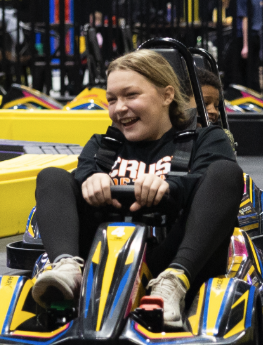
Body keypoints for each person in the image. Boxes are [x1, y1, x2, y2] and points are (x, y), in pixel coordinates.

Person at [30, 50, 242, 329]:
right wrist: (91, 181)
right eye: (112, 99)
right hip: (104, 260)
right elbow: (81, 176)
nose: (119, 108)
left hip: (173, 253)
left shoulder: (206, 139)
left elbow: (213, 182)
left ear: (167, 95)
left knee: (227, 172)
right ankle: (68, 270)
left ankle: (173, 282)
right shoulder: (103, 146)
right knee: (51, 176)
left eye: (131, 95)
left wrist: (170, 186)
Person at [224, 0, 263, 89]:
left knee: (235, 68)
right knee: (252, 71)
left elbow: (245, 20)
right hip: (256, 35)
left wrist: (245, 46)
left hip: (243, 37)